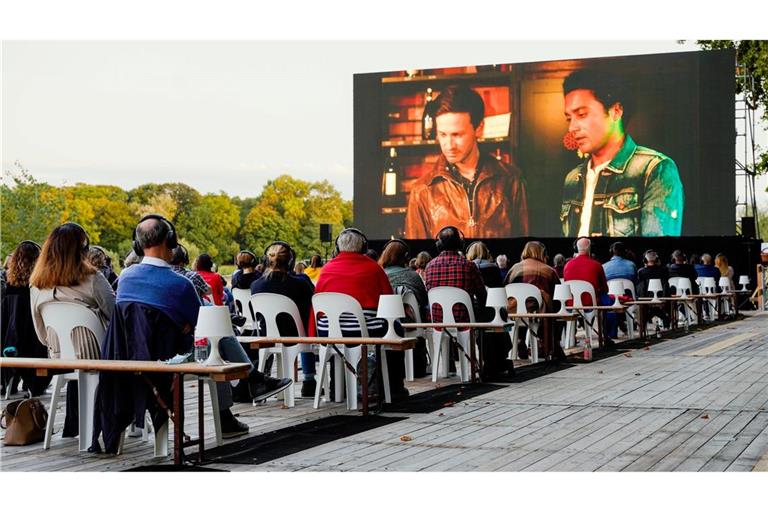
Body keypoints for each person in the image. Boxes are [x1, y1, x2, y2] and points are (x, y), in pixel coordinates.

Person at [92, 215, 291, 451]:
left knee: (212, 333)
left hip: (128, 357)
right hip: (168, 360)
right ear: (171, 240)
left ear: (138, 245)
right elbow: (202, 322)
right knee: (215, 334)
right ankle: (246, 388)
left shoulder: (126, 277)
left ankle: (252, 381)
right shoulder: (179, 284)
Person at [560, 69, 684, 237]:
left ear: (616, 111)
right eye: (569, 118)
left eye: (582, 114)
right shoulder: (573, 178)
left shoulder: (654, 169)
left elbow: (656, 254)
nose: (572, 127)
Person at [404, 85, 529, 238]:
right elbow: (418, 258)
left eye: (457, 135)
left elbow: (527, 248)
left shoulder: (511, 180)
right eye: (443, 135)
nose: (449, 145)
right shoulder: (422, 191)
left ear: (479, 128)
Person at [310, 228, 408, 400]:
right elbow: (389, 301)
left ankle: (336, 389)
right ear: (363, 247)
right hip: (364, 330)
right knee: (397, 330)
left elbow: (316, 304)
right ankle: (394, 387)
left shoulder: (326, 269)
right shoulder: (373, 268)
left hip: (329, 331)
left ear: (338, 248)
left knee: (337, 332)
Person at [425, 226, 511, 379]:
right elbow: (483, 297)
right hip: (465, 321)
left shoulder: (429, 266)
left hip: (438, 322)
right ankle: (495, 362)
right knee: (493, 312)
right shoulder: (468, 265)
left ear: (439, 244)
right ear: (461, 244)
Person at [30, 223, 116, 358]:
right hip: (95, 355)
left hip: (58, 357)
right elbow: (115, 315)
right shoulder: (93, 278)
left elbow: (42, 335)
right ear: (82, 250)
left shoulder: (36, 286)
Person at [250, 242, 315, 398]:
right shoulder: (301, 283)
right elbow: (311, 307)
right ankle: (309, 380)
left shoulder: (255, 285)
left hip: (268, 335)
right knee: (307, 326)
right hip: (297, 334)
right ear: (291, 261)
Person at [1, 240, 51, 397]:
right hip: (33, 340)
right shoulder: (40, 283)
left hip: (10, 339)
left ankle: (11, 381)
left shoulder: (8, 283)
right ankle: (36, 384)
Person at [504, 241, 565, 360]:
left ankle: (519, 340)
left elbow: (504, 288)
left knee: (522, 308)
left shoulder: (514, 268)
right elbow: (557, 295)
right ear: (542, 253)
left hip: (513, 312)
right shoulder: (549, 271)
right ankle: (548, 344)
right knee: (552, 308)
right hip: (538, 313)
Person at [563, 237, 617, 345]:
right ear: (590, 249)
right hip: (591, 304)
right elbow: (605, 289)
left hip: (571, 305)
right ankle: (605, 336)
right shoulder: (596, 265)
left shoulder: (567, 265)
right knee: (607, 301)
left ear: (576, 249)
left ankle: (570, 339)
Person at [636, 249, 671, 328]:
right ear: (657, 260)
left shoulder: (641, 272)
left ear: (645, 260)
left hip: (646, 299)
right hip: (662, 297)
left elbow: (639, 288)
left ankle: (642, 327)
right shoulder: (663, 270)